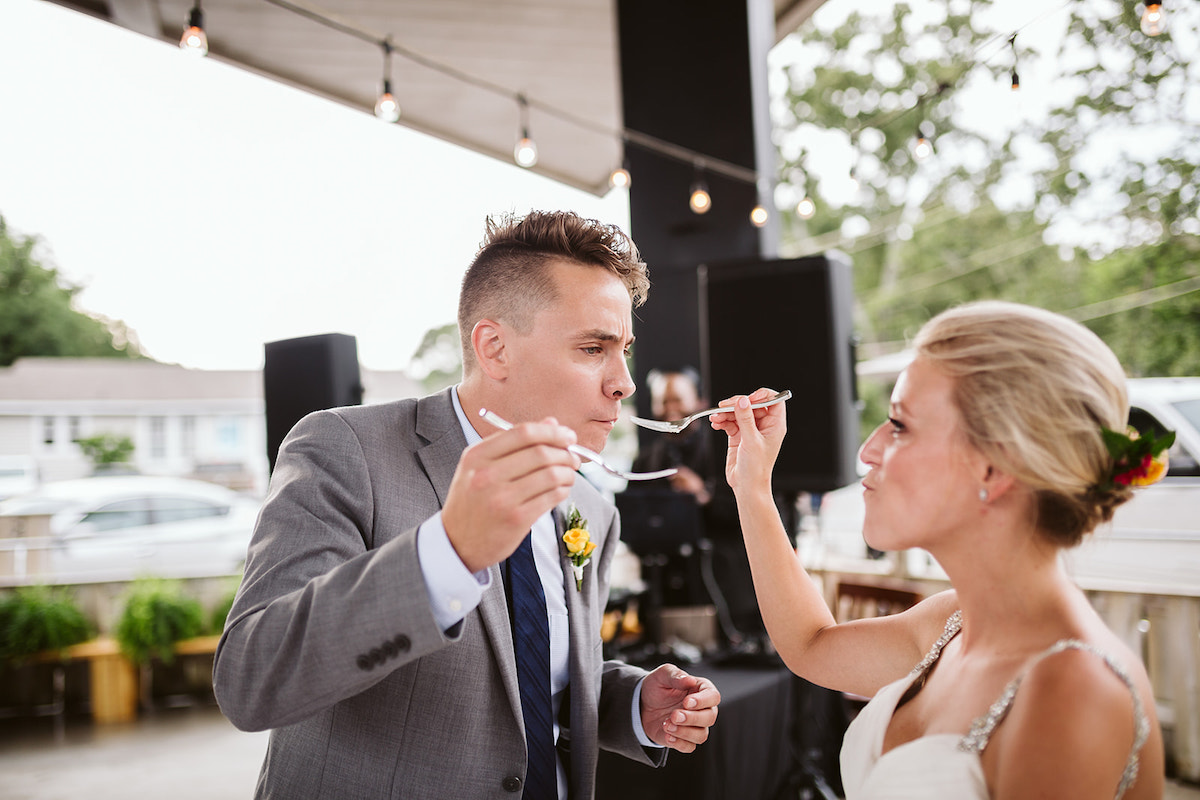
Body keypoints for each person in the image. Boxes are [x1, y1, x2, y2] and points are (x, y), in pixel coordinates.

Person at [213, 210, 721, 799]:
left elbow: (530, 678)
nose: (625, 383)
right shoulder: (345, 449)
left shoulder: (592, 507)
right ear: (495, 348)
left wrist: (630, 704)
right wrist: (448, 553)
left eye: (624, 350)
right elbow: (252, 677)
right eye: (592, 348)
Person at [711, 300, 1165, 799]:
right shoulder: (952, 623)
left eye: (900, 425)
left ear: (994, 467)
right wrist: (751, 487)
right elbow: (811, 645)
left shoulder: (1073, 689)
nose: (868, 451)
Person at [631, 368, 715, 506]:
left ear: (700, 402)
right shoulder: (644, 460)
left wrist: (701, 494)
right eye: (663, 402)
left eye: (677, 400)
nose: (670, 409)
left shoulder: (720, 452)